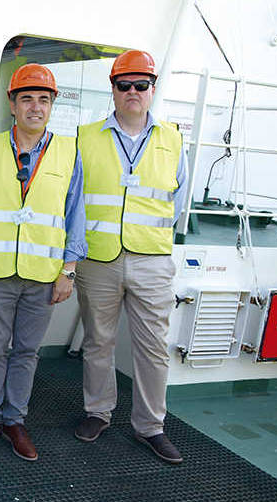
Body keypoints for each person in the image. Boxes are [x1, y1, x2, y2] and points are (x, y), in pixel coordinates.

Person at [0, 64, 86, 461]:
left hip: (45, 273)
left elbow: (75, 213)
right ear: (12, 104)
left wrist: (69, 270)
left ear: (52, 106)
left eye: (44, 100)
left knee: (27, 351)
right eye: (27, 98)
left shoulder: (69, 152)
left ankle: (15, 420)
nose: (36, 107)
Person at [73, 50, 187, 464]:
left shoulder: (173, 139)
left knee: (154, 347)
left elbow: (179, 200)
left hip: (151, 259)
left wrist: (145, 235)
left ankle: (151, 426)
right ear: (114, 90)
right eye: (125, 85)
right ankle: (97, 412)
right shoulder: (85, 137)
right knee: (97, 341)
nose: (133, 92)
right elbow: (74, 200)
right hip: (98, 257)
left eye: (141, 85)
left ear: (152, 89)